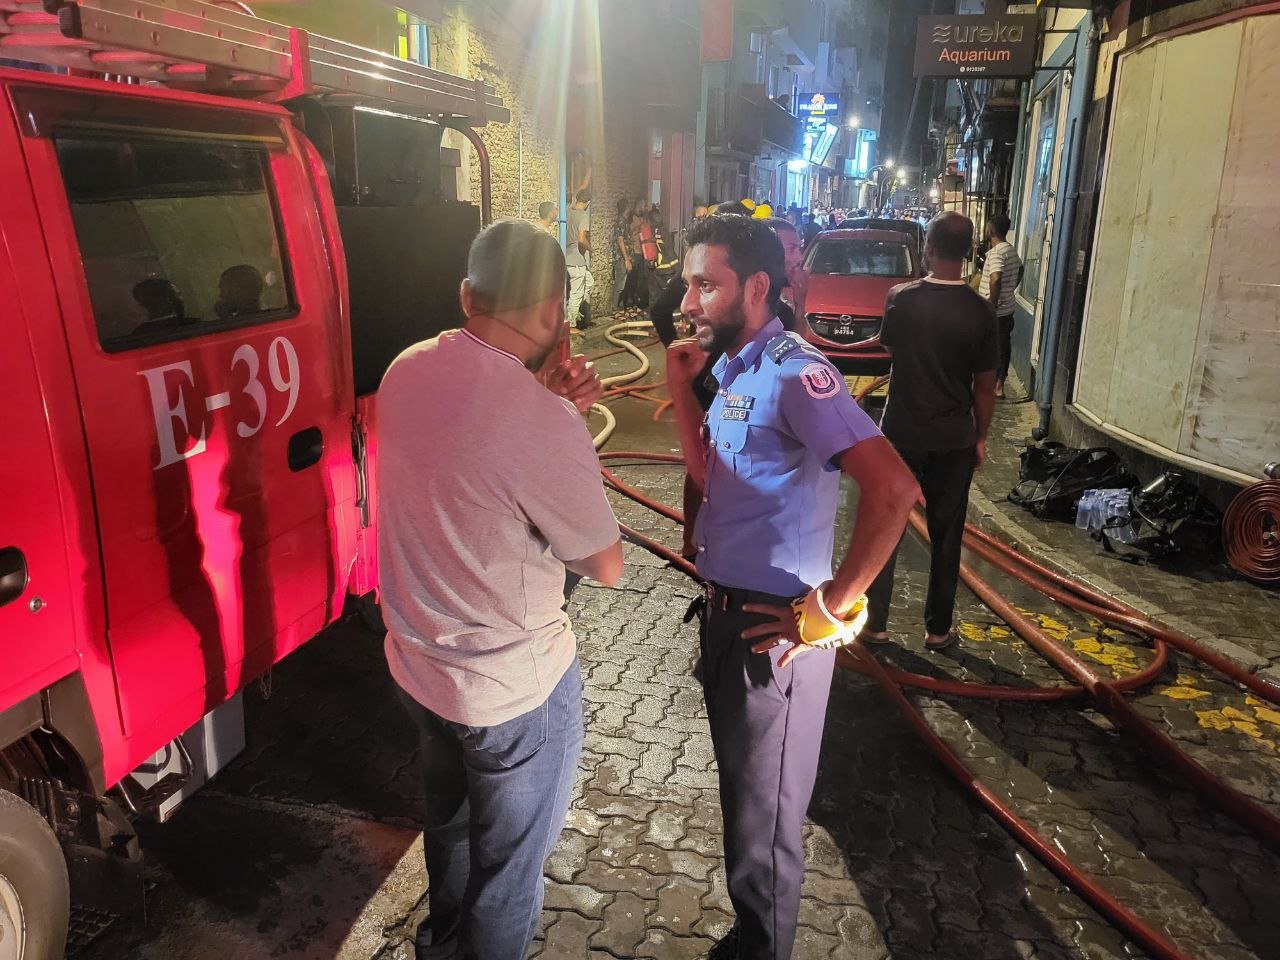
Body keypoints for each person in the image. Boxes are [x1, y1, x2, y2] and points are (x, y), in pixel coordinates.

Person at [666, 214, 919, 960]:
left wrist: (830, 610)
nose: (688, 302)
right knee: (747, 810)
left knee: (766, 827)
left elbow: (894, 491)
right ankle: (751, 936)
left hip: (772, 633)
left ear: (755, 287)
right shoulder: (738, 370)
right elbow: (713, 478)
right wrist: (681, 389)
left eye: (703, 285)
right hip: (724, 618)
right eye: (687, 284)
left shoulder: (797, 372)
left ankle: (764, 947)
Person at [378, 219, 624, 960]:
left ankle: (438, 949)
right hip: (511, 692)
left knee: (449, 832)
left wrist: (550, 408)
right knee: (508, 877)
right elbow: (604, 563)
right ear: (555, 309)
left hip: (419, 667)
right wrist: (561, 421)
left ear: (466, 295)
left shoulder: (404, 370)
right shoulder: (540, 419)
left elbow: (472, 459)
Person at [862, 212, 999, 653]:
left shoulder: (901, 298)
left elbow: (890, 347)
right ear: (968, 252)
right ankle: (938, 630)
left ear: (929, 248)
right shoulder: (981, 311)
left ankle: (875, 625)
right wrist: (979, 437)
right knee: (946, 536)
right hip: (954, 440)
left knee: (885, 528)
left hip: (901, 433)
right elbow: (984, 386)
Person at [977, 213, 1023, 398]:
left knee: (989, 349)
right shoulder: (1010, 250)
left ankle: (992, 385)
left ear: (991, 230)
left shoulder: (997, 252)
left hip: (994, 312)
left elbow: (995, 278)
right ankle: (999, 385)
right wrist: (1010, 289)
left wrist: (992, 304)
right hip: (1007, 309)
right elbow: (1020, 269)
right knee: (1003, 347)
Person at [565, 188, 594, 330]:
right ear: (588, 202)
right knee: (576, 293)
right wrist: (590, 249)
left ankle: (573, 312)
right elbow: (581, 239)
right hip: (576, 259)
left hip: (567, 257)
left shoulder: (568, 211)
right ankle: (571, 325)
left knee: (589, 282)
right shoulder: (583, 216)